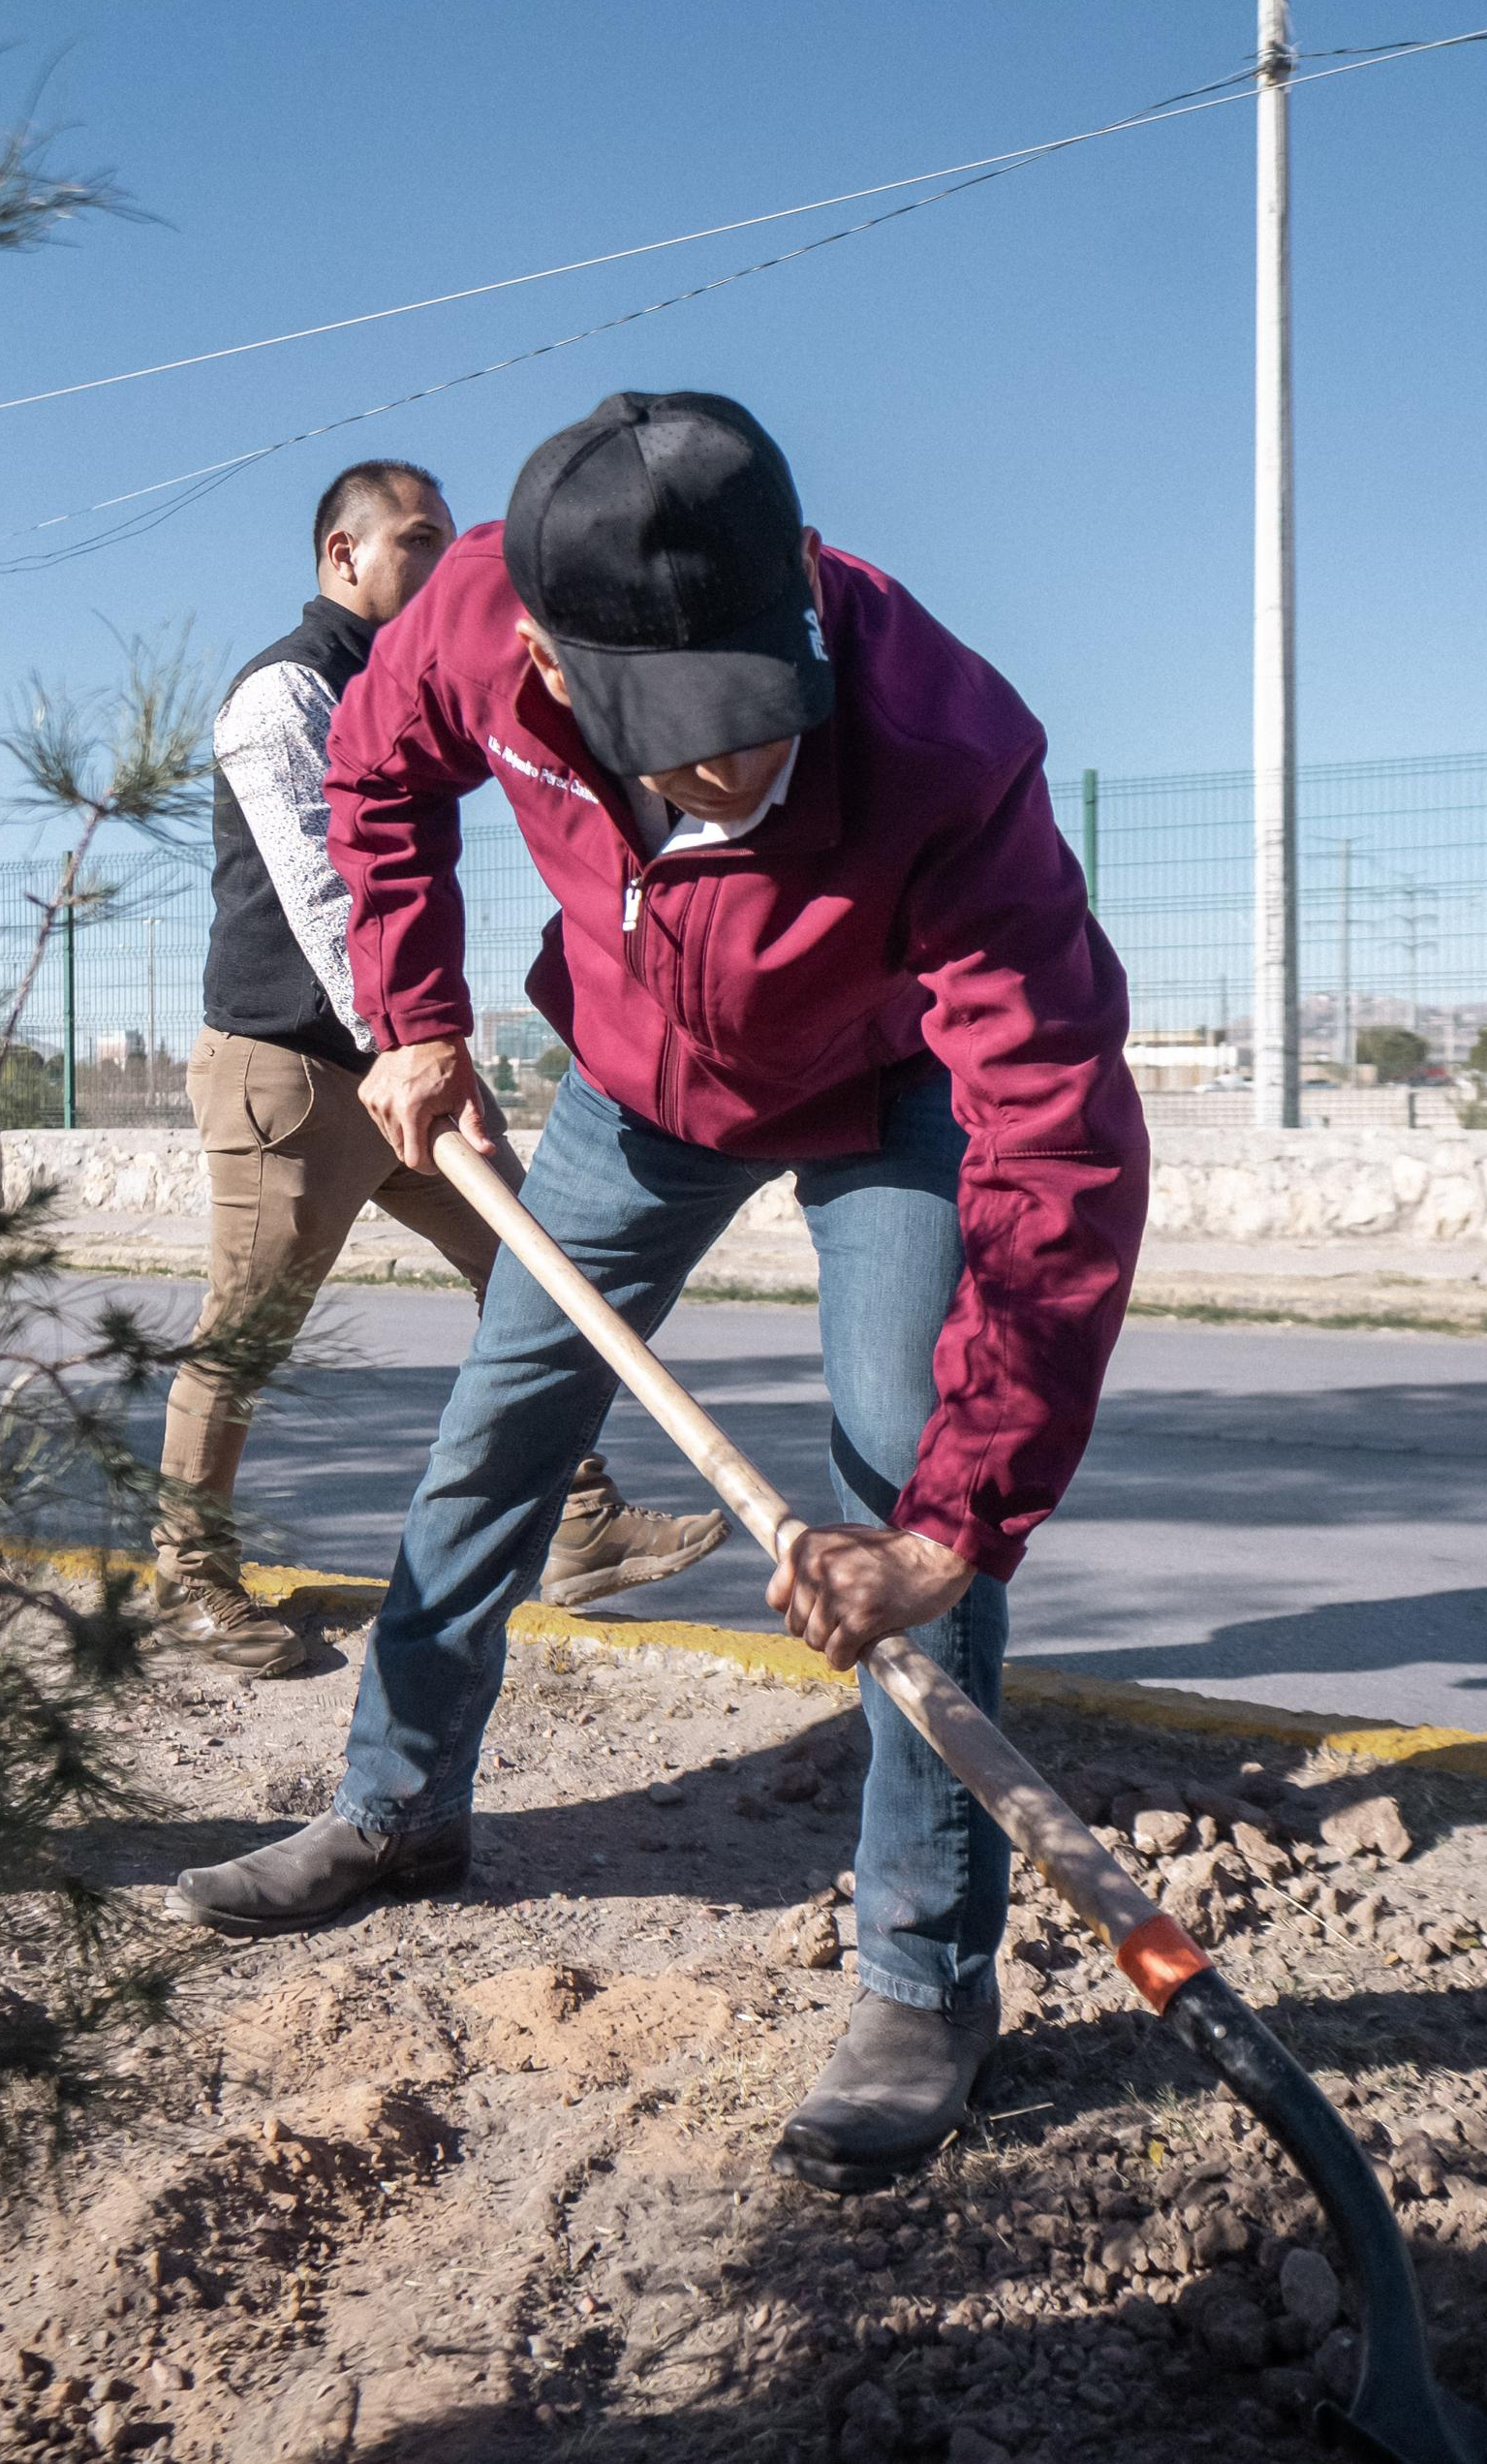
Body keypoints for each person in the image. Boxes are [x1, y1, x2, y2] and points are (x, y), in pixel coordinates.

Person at [170, 391, 1146, 2197]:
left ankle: (926, 1979)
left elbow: (1060, 1135)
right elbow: (369, 774)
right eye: (684, 742)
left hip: (895, 1094)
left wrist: (960, 1516)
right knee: (497, 1439)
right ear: (543, 652)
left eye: (759, 715)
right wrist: (418, 1017)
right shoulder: (469, 616)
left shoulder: (946, 745)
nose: (737, 774)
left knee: (905, 1488)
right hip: (636, 1086)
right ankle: (396, 1805)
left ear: (795, 585)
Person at [156, 459, 724, 1674]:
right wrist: (415, 1043)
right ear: (341, 557)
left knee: (532, 1273)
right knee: (246, 1334)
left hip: (392, 1066)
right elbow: (328, 892)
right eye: (413, 540)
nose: (436, 559)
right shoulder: (282, 693)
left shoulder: (409, 682)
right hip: (293, 1077)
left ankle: (577, 1527)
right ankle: (184, 1579)